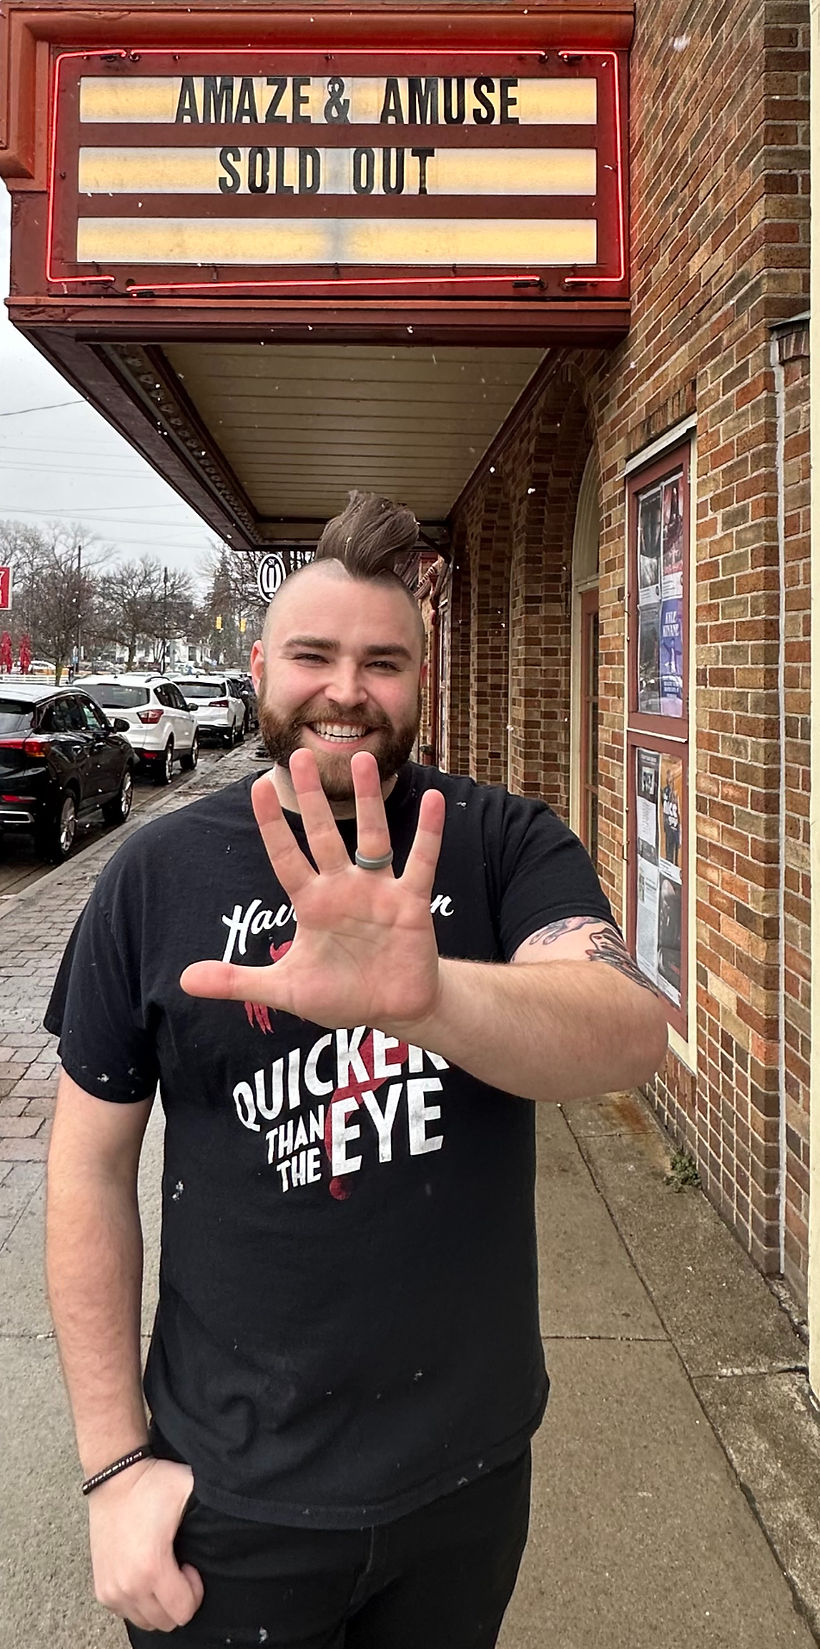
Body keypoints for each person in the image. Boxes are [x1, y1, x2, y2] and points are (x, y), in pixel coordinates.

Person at [44, 491, 668, 1648]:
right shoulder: (153, 874)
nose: (345, 688)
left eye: (383, 660)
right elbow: (86, 1172)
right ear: (260, 665)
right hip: (225, 1491)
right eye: (313, 653)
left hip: (464, 1480)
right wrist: (114, 1465)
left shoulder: (496, 842)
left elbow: (626, 1028)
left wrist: (432, 995)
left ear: (422, 676)